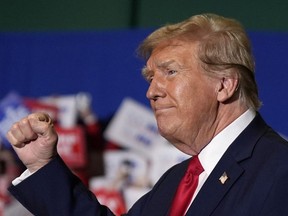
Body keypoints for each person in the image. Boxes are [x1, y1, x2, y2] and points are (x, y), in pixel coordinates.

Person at [6, 13, 288, 216]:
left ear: (224, 85)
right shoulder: (175, 182)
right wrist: (43, 165)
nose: (151, 91)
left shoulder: (279, 171)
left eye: (171, 72)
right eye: (150, 78)